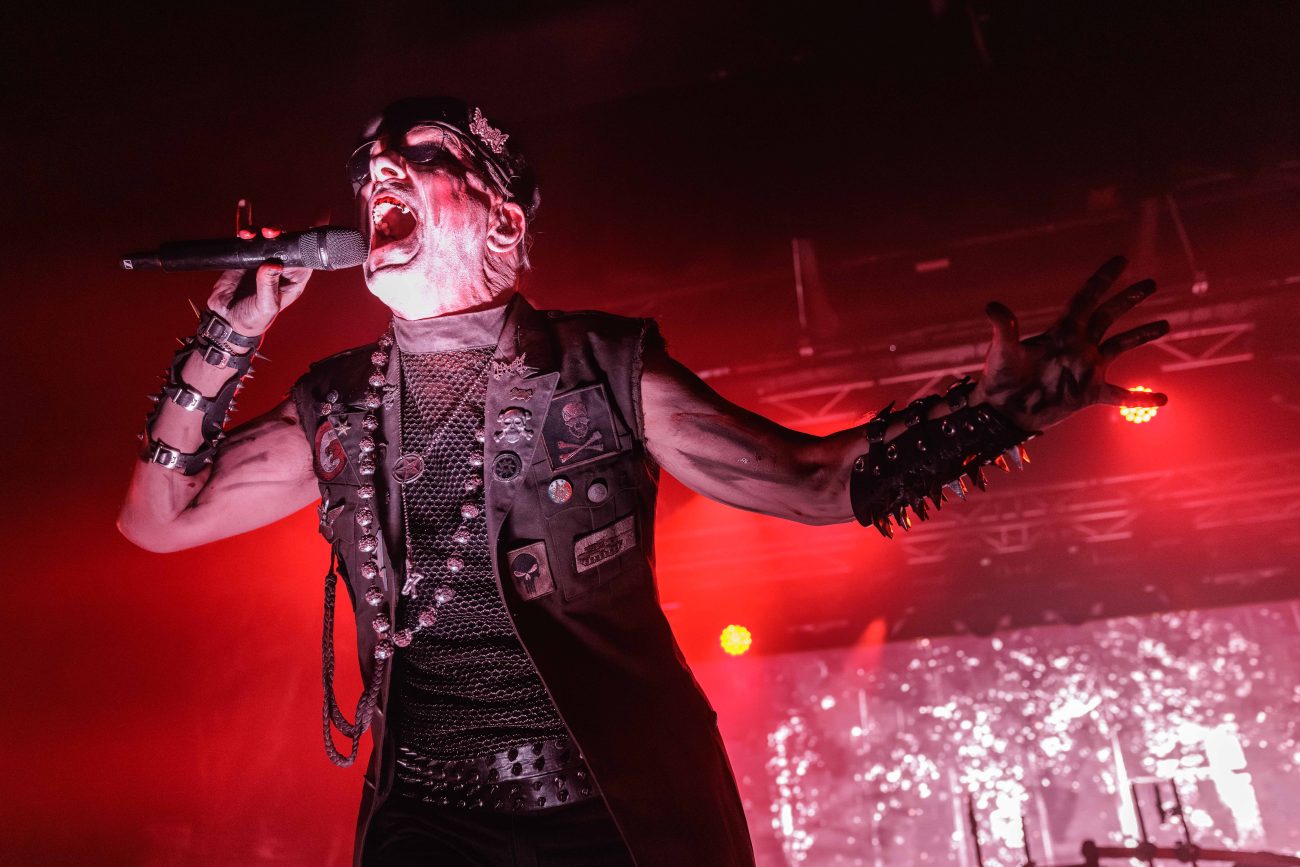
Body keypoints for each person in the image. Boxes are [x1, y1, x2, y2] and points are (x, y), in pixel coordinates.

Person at [117, 97, 1169, 867]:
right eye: (369, 162)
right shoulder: (339, 404)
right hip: (429, 829)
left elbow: (808, 481)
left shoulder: (603, 370)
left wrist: (1000, 414)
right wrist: (230, 331)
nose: (380, 167)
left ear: (503, 222)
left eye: (423, 153)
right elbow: (157, 522)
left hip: (607, 817)